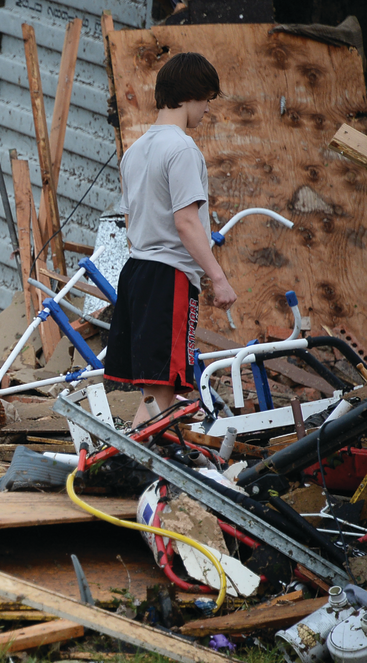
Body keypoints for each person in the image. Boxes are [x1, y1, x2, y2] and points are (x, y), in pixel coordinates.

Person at [103, 52, 237, 427]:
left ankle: (135, 457)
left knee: (156, 388)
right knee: (164, 386)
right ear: (192, 94)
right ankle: (149, 467)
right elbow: (186, 222)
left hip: (137, 273)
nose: (207, 109)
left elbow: (134, 217)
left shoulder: (135, 151)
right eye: (208, 99)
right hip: (168, 277)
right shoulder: (181, 149)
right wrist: (218, 277)